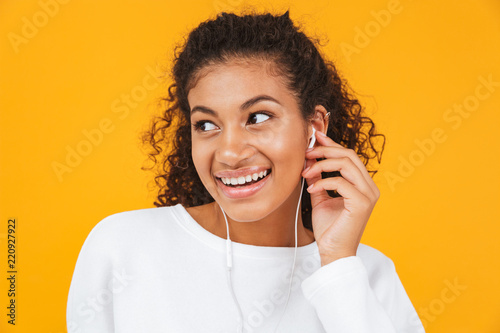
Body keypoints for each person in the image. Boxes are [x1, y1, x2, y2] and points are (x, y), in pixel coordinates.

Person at [66, 10, 425, 333]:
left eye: (257, 118)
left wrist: (336, 266)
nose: (230, 153)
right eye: (206, 125)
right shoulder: (124, 246)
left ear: (313, 127)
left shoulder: (363, 272)